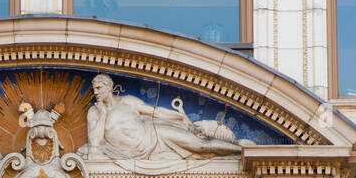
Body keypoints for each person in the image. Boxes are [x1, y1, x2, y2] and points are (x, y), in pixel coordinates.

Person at [81, 73, 242, 163]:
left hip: (155, 135)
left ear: (109, 87)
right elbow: (95, 142)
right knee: (200, 146)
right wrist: (103, 115)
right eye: (95, 89)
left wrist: (178, 116)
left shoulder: (127, 101)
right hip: (135, 153)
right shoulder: (95, 112)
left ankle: (241, 150)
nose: (96, 92)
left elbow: (155, 112)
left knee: (200, 145)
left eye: (99, 88)